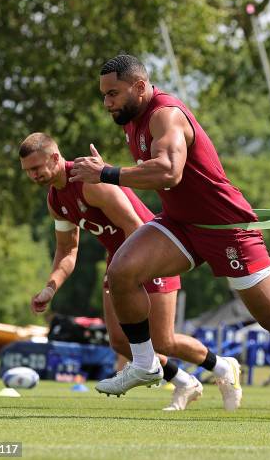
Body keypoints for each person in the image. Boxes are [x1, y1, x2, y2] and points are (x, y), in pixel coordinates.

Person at [69, 54, 270, 425]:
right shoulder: (132, 119)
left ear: (139, 86)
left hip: (226, 228)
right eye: (104, 95)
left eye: (113, 94)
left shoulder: (164, 115)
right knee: (121, 271)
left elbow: (169, 172)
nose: (107, 103)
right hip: (181, 225)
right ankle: (145, 364)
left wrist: (105, 173)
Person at [19, 132, 242, 411]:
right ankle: (185, 382)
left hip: (154, 254)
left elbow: (134, 225)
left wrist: (130, 273)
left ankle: (222, 366)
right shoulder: (56, 201)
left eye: (37, 168)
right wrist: (50, 287)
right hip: (119, 263)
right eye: (28, 171)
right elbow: (66, 250)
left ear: (54, 157)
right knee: (121, 341)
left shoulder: (88, 181)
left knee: (163, 340)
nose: (33, 175)